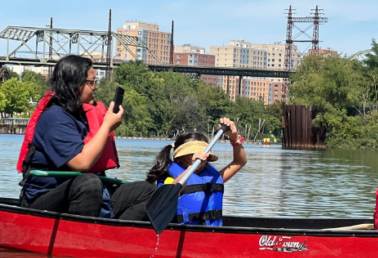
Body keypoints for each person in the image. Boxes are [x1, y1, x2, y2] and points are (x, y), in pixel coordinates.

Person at [18, 55, 154, 219]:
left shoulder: (80, 114)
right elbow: (82, 163)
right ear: (74, 84)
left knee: (148, 192)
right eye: (91, 82)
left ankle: (111, 237)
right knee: (88, 183)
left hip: (84, 195)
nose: (96, 87)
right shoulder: (54, 118)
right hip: (43, 199)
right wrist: (107, 126)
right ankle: (81, 239)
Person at [145, 118, 246, 226]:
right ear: (179, 158)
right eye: (191, 154)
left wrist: (234, 139)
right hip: (184, 232)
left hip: (212, 234)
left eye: (202, 153)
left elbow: (239, 162)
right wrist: (191, 167)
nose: (199, 158)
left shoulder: (213, 178)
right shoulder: (171, 178)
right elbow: (168, 196)